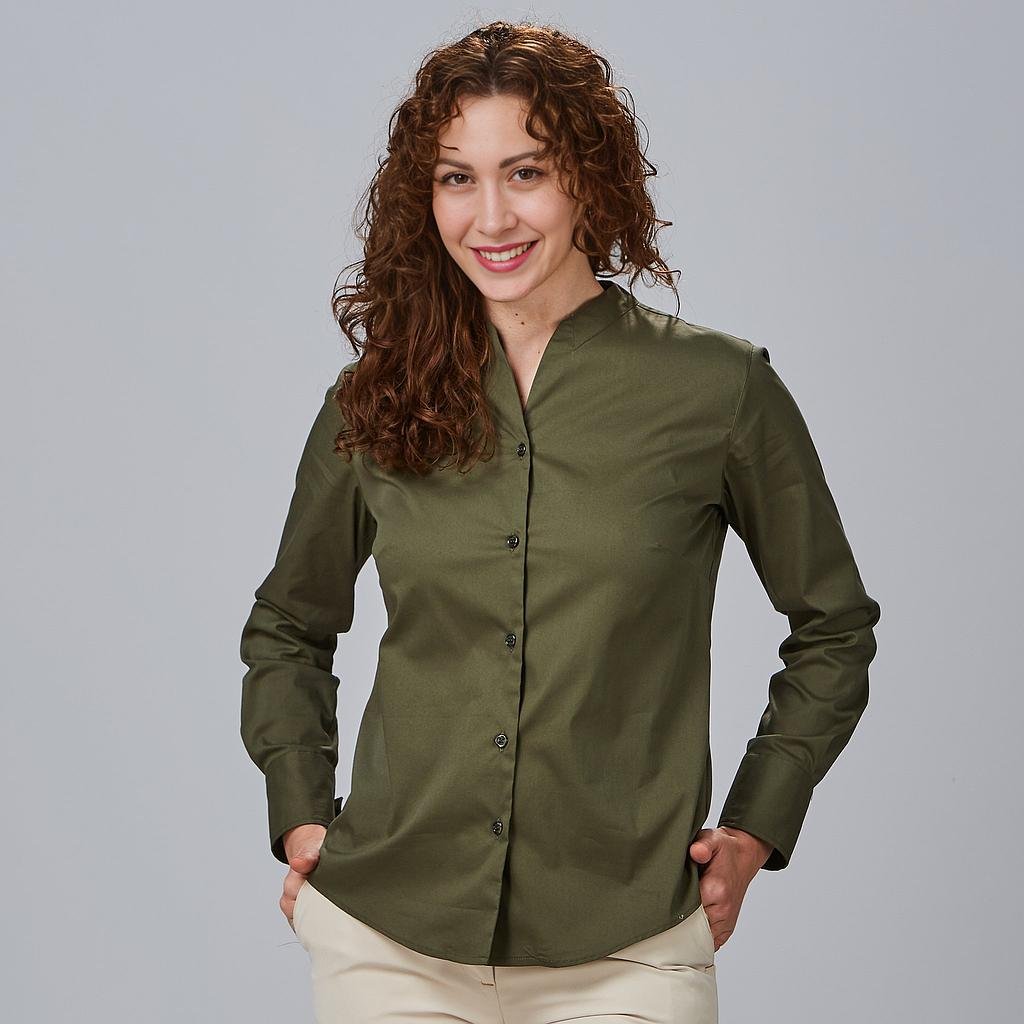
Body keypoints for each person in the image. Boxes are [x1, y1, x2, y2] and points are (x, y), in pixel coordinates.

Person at [239, 19, 881, 1024]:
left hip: (629, 943)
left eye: (526, 172)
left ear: (589, 178)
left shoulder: (718, 391)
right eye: (457, 178)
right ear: (424, 196)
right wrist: (300, 815)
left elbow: (834, 628)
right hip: (389, 939)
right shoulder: (373, 398)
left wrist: (757, 825)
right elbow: (288, 624)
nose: (490, 215)